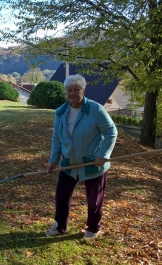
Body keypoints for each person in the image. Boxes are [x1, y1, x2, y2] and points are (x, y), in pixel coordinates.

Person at [45, 74, 118, 239]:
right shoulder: (61, 112)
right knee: (61, 196)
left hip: (93, 163)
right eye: (69, 90)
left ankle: (93, 228)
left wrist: (103, 155)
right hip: (69, 163)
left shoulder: (96, 109)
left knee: (94, 200)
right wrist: (53, 160)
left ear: (83, 91)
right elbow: (56, 138)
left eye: (76, 90)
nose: (72, 93)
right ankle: (60, 226)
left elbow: (111, 132)